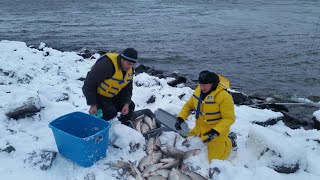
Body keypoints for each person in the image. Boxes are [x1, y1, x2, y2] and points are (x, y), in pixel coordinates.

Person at [175, 70, 235, 161]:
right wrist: (180, 118)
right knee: (185, 148)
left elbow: (229, 118)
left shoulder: (224, 96)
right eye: (200, 84)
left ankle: (229, 142)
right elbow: (189, 106)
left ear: (212, 83)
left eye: (205, 85)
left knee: (214, 160)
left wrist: (215, 131)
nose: (202, 87)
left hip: (217, 132)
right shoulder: (198, 90)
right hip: (199, 129)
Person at [82, 48, 138, 125]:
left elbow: (127, 88)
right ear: (122, 59)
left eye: (133, 64)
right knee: (111, 113)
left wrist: (126, 104)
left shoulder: (130, 69)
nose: (130, 67)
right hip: (99, 95)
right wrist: (93, 104)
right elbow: (89, 84)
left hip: (113, 94)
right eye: (129, 63)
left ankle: (123, 127)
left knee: (131, 106)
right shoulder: (105, 65)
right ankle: (96, 126)